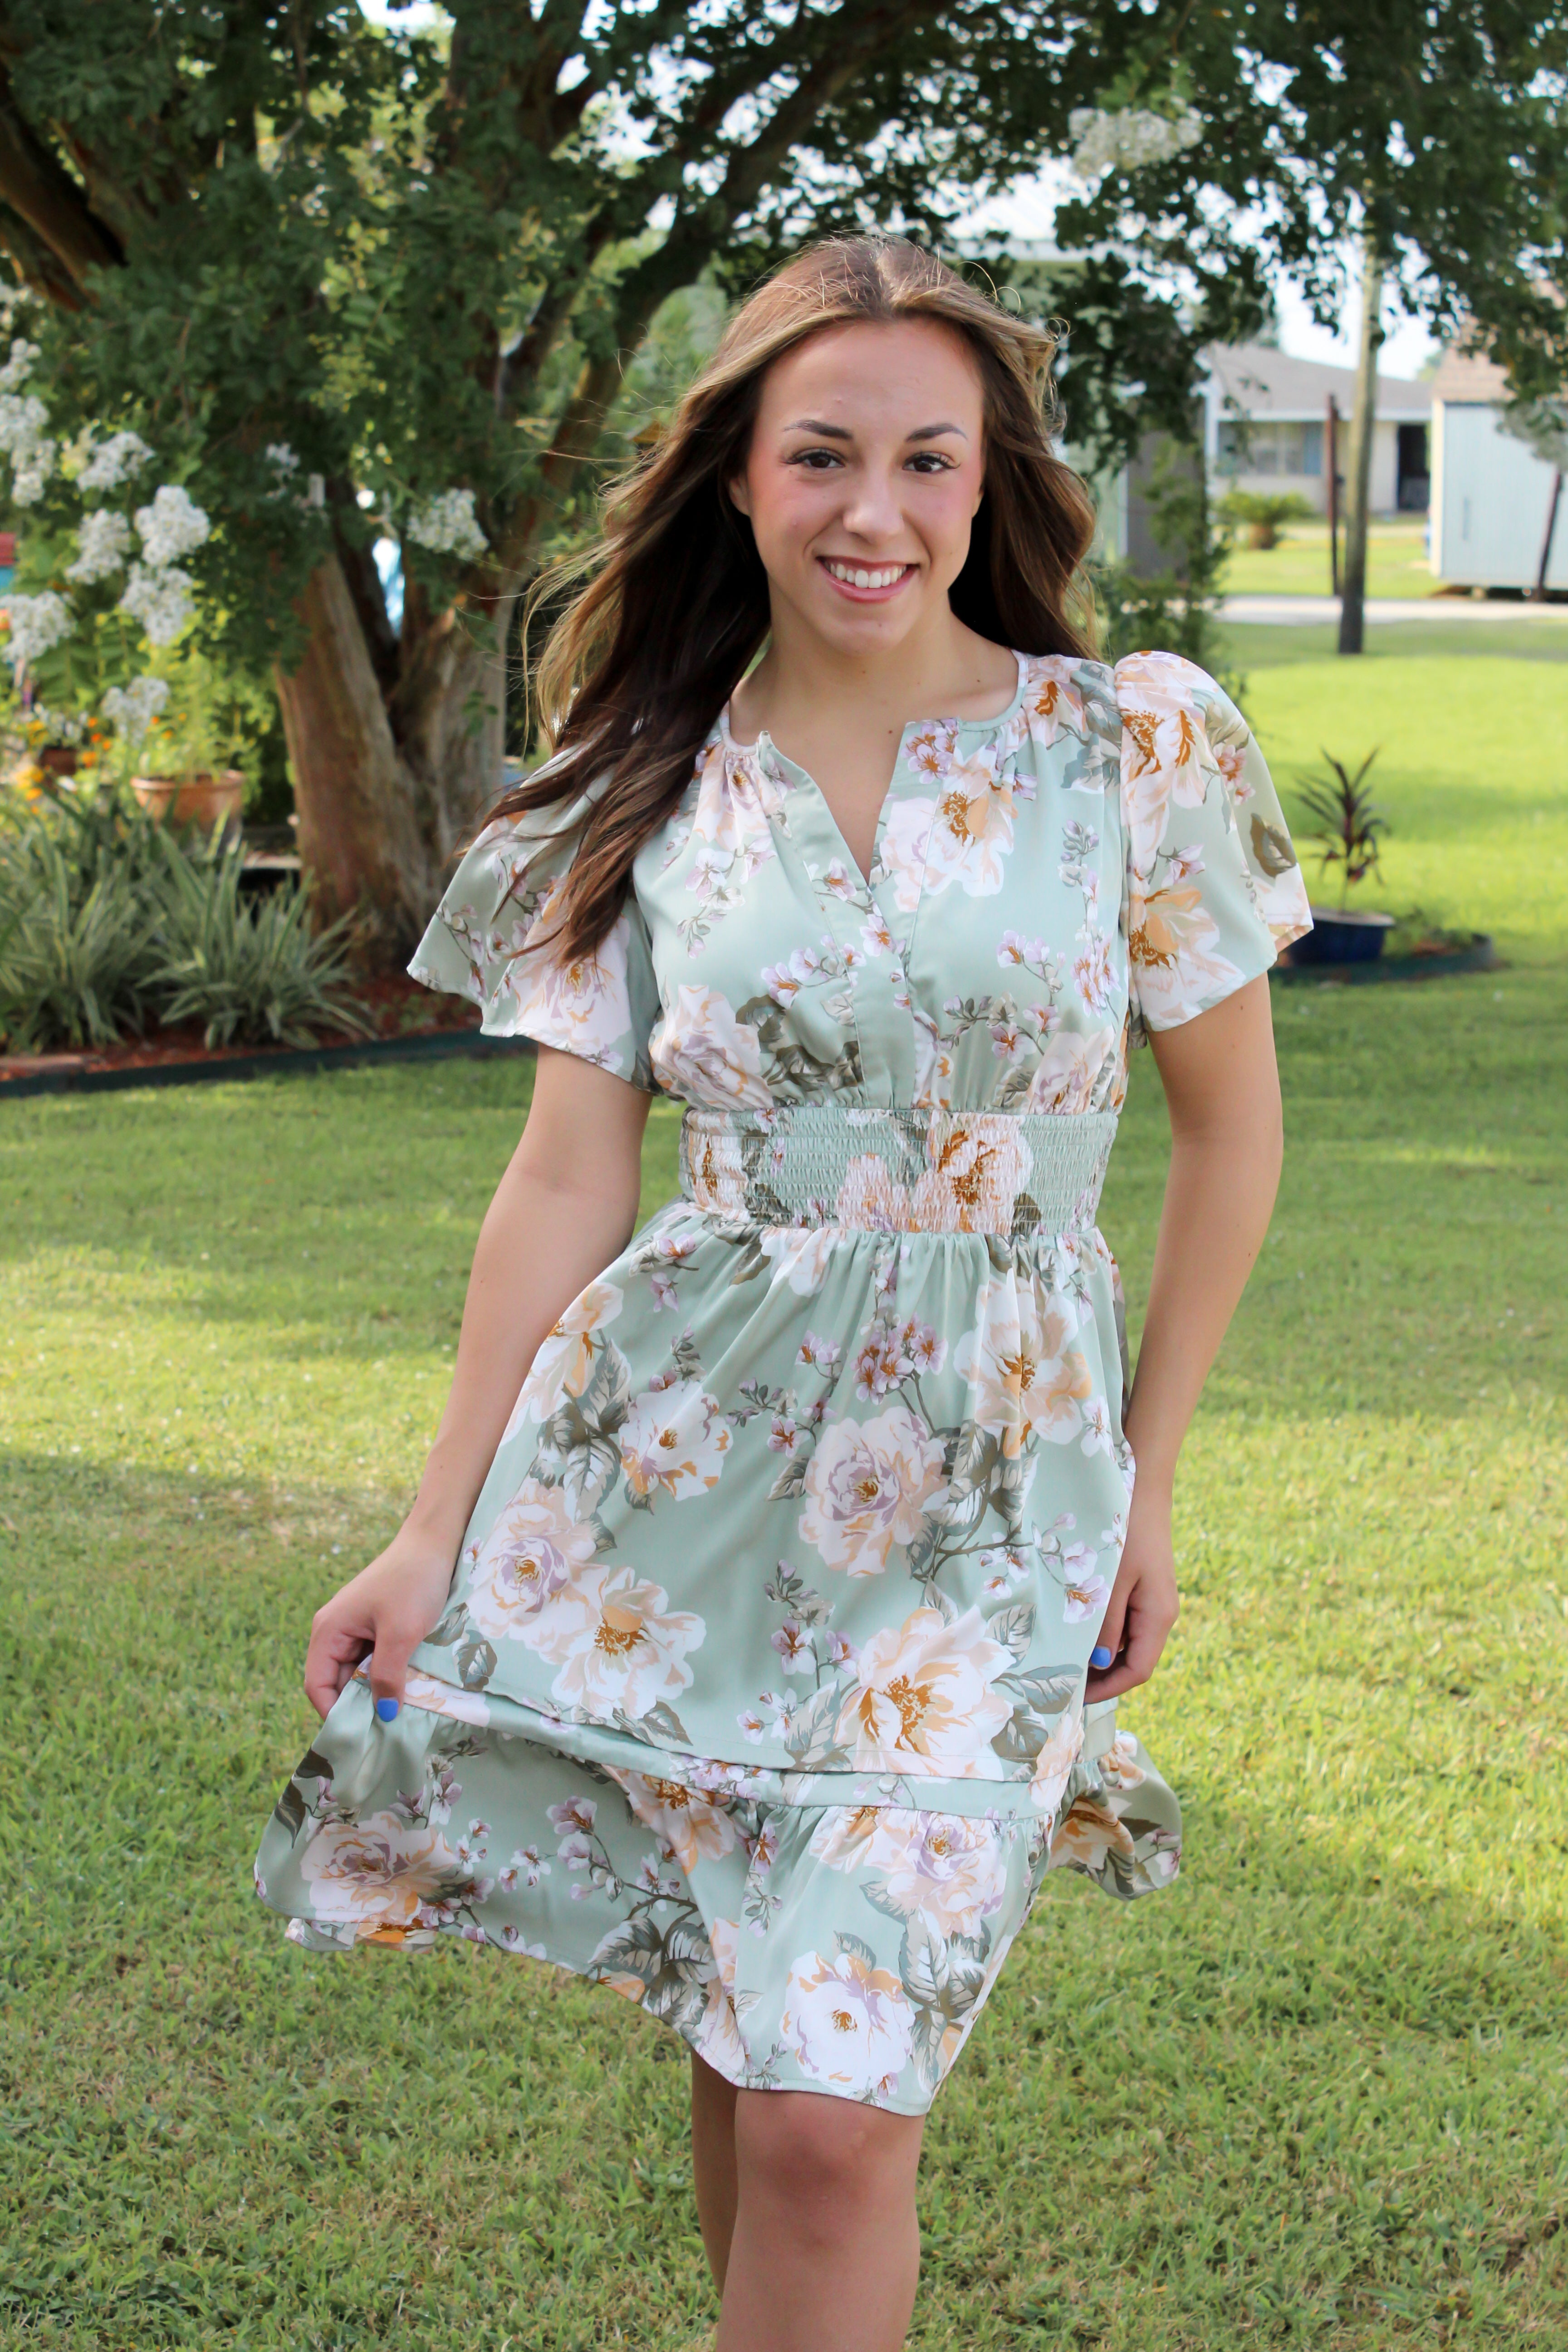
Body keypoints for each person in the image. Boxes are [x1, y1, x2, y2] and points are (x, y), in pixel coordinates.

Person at [255, 236, 1311, 2351]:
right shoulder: (632, 786)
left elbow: (1235, 1134)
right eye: (822, 455)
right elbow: (565, 1178)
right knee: (753, 2033)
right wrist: (431, 1527)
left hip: (994, 1508)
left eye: (929, 460)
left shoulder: (1134, 749)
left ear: (989, 481)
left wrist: (1149, 1480)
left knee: (832, 2112)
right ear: (736, 475)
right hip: (687, 1490)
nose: (874, 511)